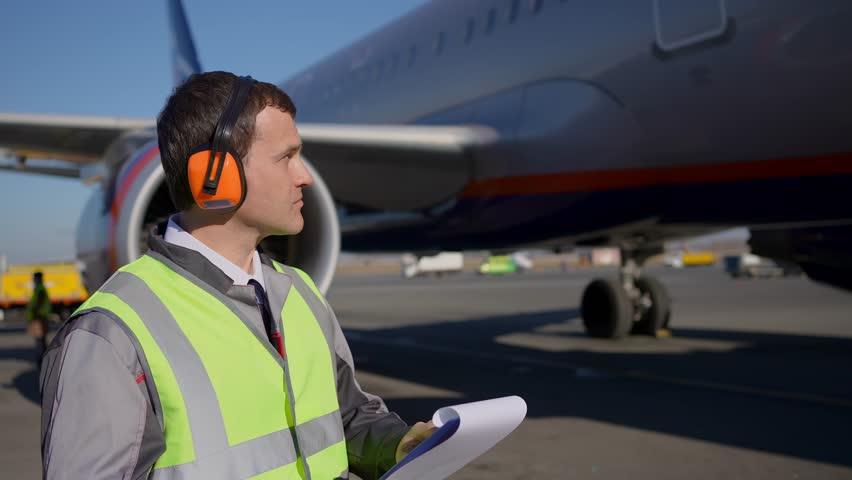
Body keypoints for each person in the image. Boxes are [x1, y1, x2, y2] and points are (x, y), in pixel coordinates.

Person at [40, 72, 435, 480]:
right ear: (215, 175)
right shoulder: (111, 336)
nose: (306, 177)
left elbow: (348, 417)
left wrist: (396, 445)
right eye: (286, 157)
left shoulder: (299, 293)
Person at [26, 271, 50, 368]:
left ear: (38, 278)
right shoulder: (40, 289)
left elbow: (38, 304)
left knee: (40, 341)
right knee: (41, 341)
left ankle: (42, 362)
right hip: (40, 317)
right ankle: (44, 361)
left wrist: (33, 312)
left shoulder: (40, 289)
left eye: (35, 278)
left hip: (39, 318)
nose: (33, 280)